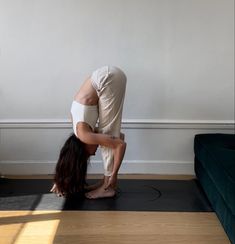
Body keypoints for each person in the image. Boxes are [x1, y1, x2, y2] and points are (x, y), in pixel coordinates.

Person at [50, 66, 127, 199]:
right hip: (106, 76)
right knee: (108, 135)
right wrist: (60, 181)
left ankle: (109, 187)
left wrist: (114, 175)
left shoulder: (85, 135)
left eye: (88, 154)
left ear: (82, 148)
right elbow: (120, 137)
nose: (94, 153)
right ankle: (105, 182)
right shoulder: (80, 130)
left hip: (107, 79)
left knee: (108, 135)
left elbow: (120, 144)